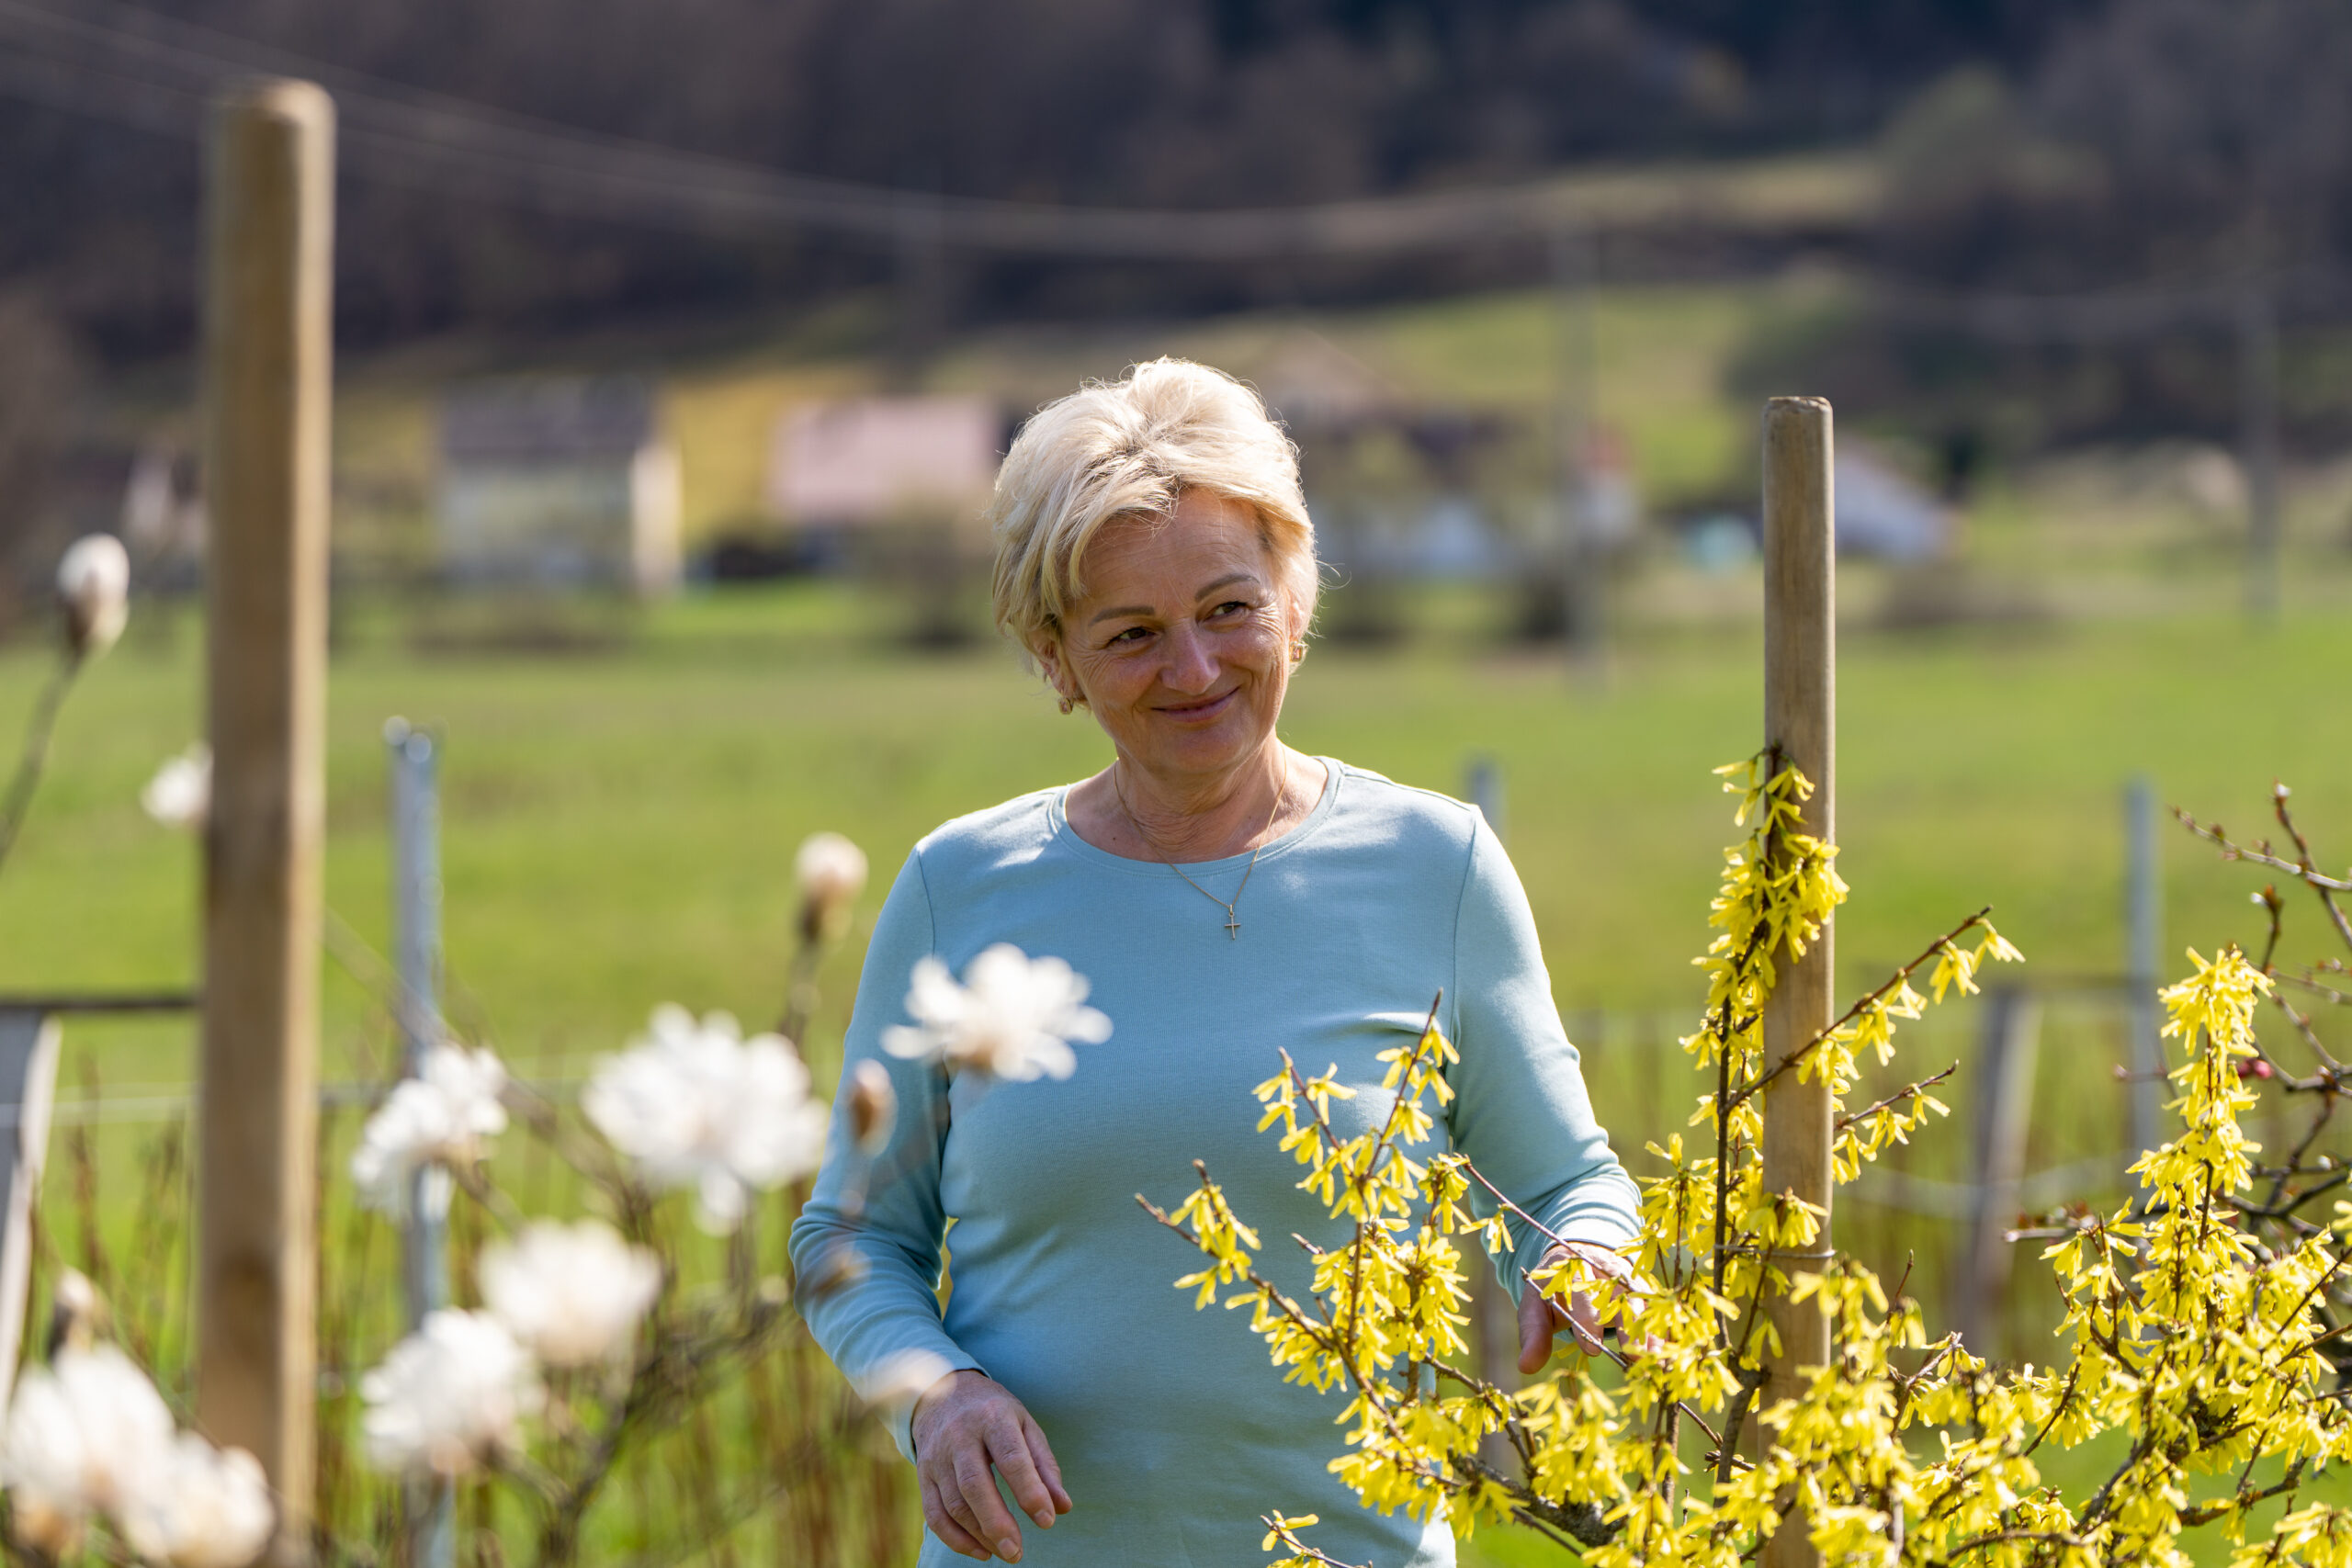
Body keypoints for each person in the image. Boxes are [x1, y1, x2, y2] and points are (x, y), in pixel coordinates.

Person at [790, 358, 1639, 1567]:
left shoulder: (1434, 868)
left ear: (1295, 597)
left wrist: (1585, 1253)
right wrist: (937, 1394)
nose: (1192, 670)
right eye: (1132, 634)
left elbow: (1561, 1186)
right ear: (1055, 656)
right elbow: (852, 1243)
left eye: (1230, 608)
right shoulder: (958, 890)